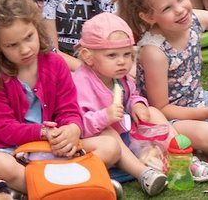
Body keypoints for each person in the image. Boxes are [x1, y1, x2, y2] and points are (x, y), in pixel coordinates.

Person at [0, 0, 120, 193]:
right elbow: (4, 128)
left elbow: (69, 109)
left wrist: (72, 129)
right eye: (12, 45)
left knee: (110, 147)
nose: (25, 49)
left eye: (29, 37)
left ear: (37, 28)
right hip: (10, 148)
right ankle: (64, 188)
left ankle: (41, 188)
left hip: (51, 146)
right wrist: (43, 133)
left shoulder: (55, 64)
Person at [121, 0, 208, 163]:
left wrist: (207, 110)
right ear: (148, 17)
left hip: (200, 101)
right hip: (174, 122)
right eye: (167, 8)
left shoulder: (196, 19)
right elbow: (162, 109)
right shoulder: (154, 51)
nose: (180, 10)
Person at [70, 13, 170, 195]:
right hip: (97, 144)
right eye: (112, 55)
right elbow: (76, 126)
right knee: (107, 131)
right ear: (88, 57)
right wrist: (104, 117)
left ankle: (181, 155)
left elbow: (132, 95)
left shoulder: (120, 78)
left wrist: (138, 104)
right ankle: (144, 174)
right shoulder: (80, 83)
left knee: (153, 111)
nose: (122, 61)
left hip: (124, 133)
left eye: (127, 54)